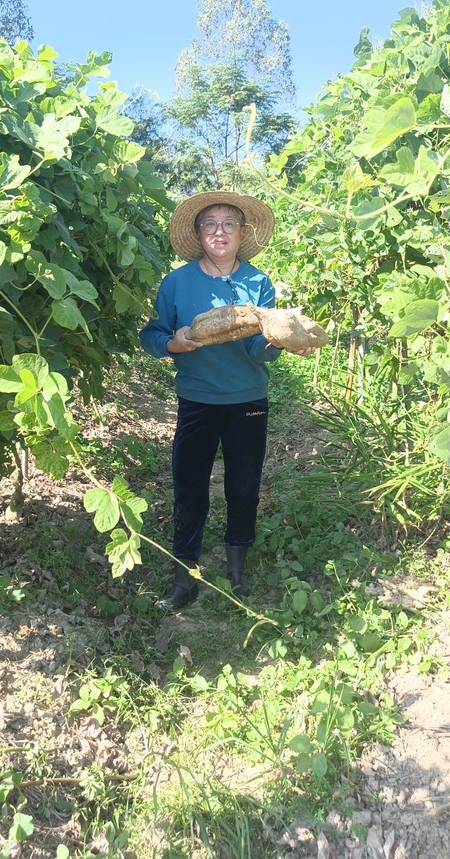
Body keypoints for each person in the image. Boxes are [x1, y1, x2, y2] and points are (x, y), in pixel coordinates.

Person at [139, 190, 315, 612]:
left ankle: (237, 571)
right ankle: (184, 577)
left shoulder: (258, 283)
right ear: (198, 233)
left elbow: (258, 349)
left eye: (228, 224)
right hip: (196, 400)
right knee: (189, 488)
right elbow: (152, 335)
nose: (219, 232)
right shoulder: (177, 283)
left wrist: (282, 342)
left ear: (242, 232)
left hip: (247, 400)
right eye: (210, 224)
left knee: (243, 485)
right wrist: (174, 344)